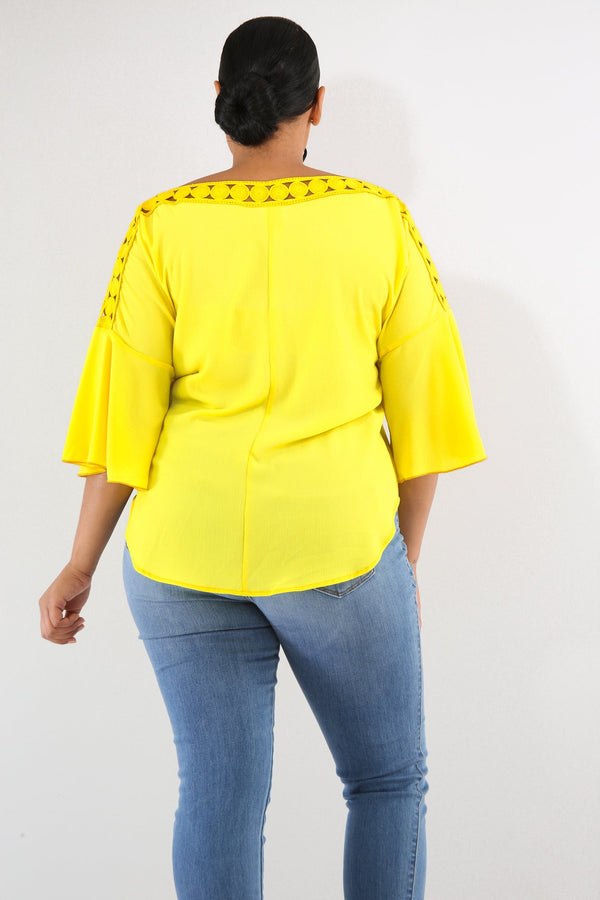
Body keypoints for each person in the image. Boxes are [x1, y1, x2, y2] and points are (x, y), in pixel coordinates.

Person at [39, 15, 487, 900]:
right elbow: (424, 419)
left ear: (220, 99)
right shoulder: (379, 219)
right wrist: (403, 562)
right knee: (387, 782)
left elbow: (124, 420)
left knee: (218, 799)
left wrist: (80, 562)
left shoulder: (162, 225)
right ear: (316, 105)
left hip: (181, 552)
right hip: (336, 547)